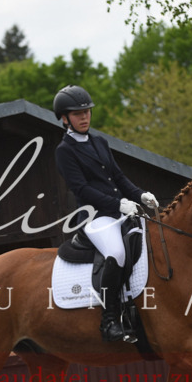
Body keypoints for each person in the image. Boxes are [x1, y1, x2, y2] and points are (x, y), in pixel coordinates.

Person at [53, 85, 160, 343]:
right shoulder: (64, 151)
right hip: (95, 217)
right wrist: (118, 204)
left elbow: (119, 177)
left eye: (87, 111)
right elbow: (82, 189)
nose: (84, 117)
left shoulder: (100, 142)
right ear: (64, 118)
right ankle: (110, 320)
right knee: (117, 252)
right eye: (77, 114)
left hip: (120, 211)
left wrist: (140, 195)